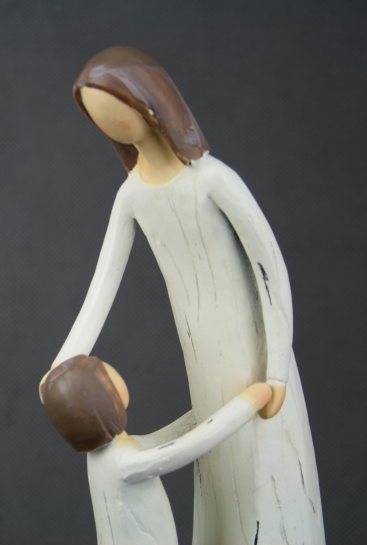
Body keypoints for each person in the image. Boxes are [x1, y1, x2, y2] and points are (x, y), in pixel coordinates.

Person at [43, 46, 324, 544]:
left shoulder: (213, 180)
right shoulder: (132, 195)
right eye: (98, 119)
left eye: (113, 112)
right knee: (217, 466)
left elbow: (270, 269)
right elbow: (103, 284)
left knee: (262, 464)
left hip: (252, 349)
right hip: (200, 351)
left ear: (149, 102)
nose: (108, 126)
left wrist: (277, 368)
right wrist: (61, 368)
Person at [41, 355, 273, 545]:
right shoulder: (123, 463)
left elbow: (167, 437)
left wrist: (200, 414)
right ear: (102, 404)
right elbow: (187, 447)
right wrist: (246, 404)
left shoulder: (106, 456)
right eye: (106, 379)